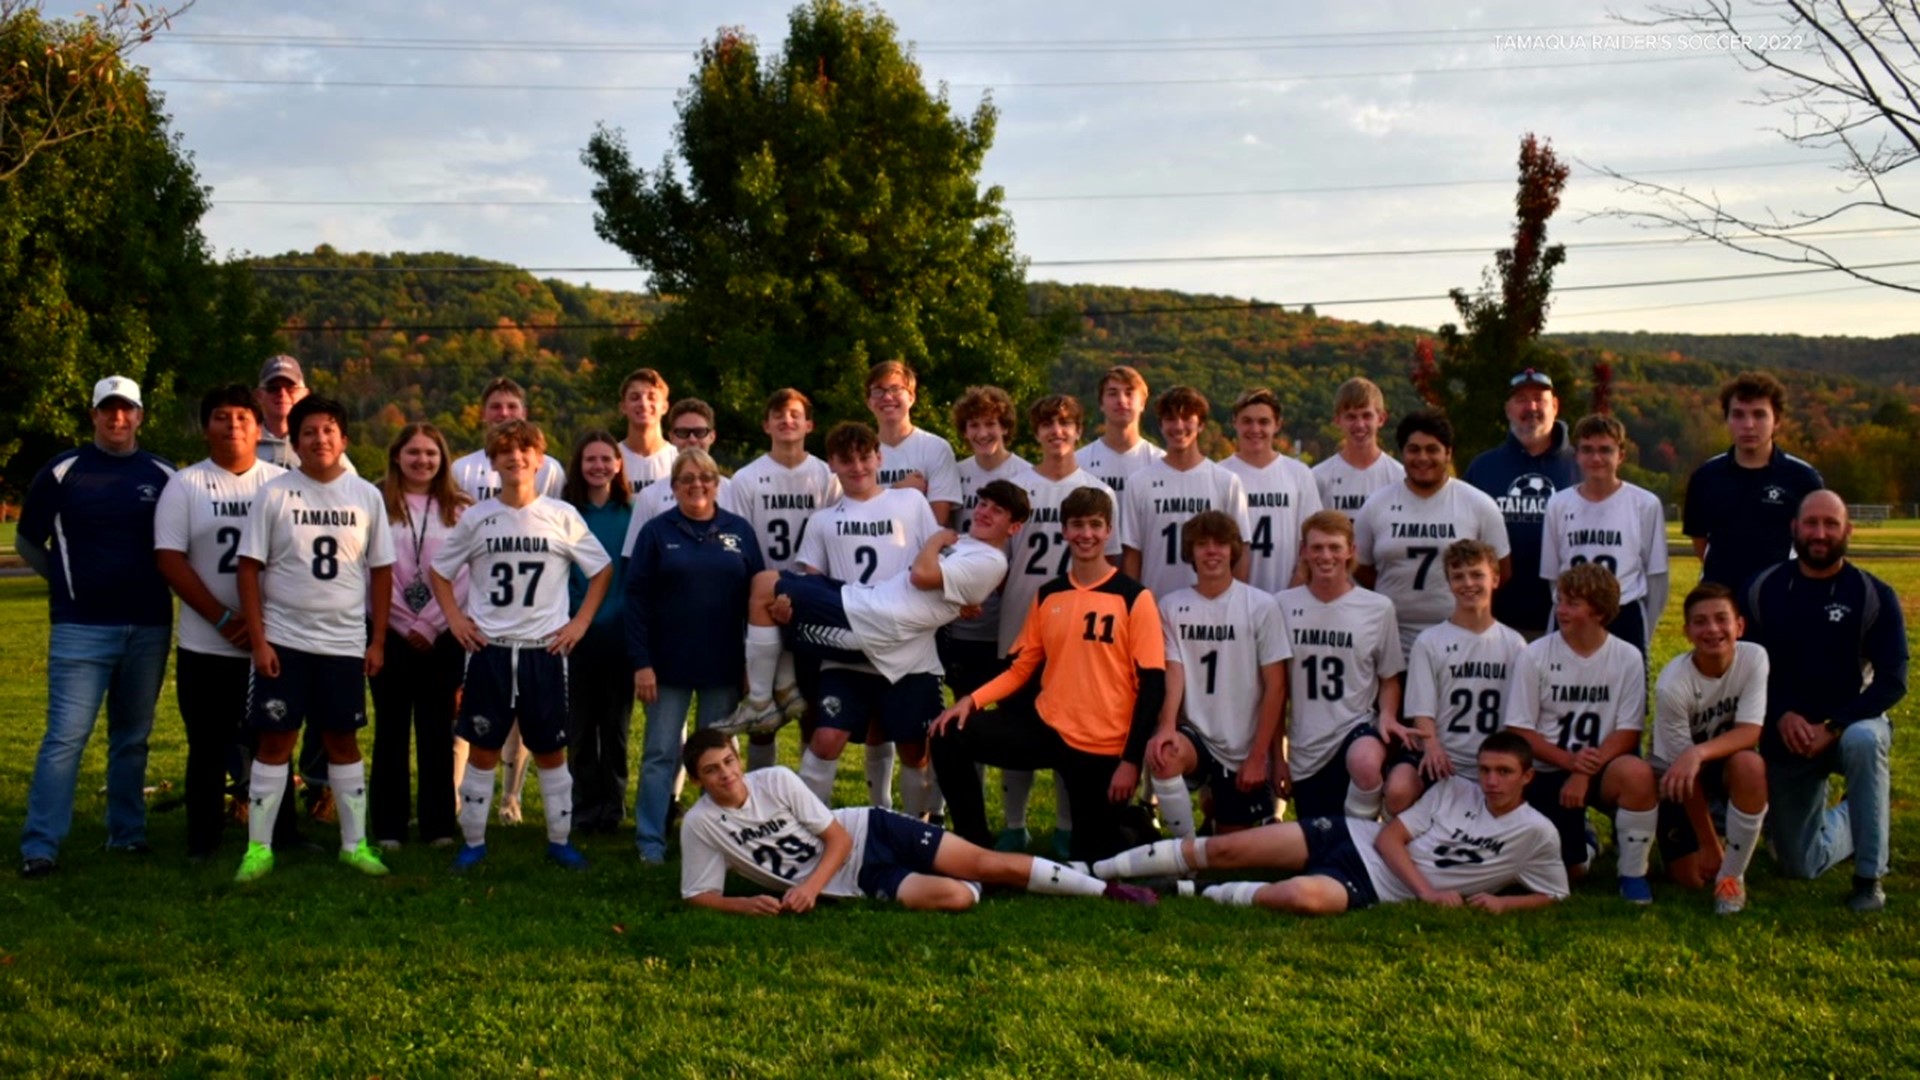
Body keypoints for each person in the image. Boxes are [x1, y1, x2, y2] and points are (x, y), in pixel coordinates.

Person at [734, 480, 1028, 824]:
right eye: (983, 503)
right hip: (865, 603)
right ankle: (810, 824)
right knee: (769, 593)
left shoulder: (989, 559)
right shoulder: (965, 545)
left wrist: (937, 539)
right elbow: (941, 587)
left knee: (764, 587)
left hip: (874, 623)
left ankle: (761, 700)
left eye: (997, 510)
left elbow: (922, 575)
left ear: (1014, 526)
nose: (983, 512)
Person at [929, 486, 1167, 862]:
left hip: (1102, 746)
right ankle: (976, 849)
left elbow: (1152, 685)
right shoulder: (1048, 595)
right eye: (1076, 525)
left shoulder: (1134, 598)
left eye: (1094, 525)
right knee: (948, 734)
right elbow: (1021, 668)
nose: (1085, 534)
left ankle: (1136, 829)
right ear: (1064, 531)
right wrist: (970, 702)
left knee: (1094, 858)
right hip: (1048, 729)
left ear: (1108, 532)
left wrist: (1130, 761)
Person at [676, 730, 1156, 913]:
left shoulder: (775, 780)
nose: (725, 775)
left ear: (738, 759)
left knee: (989, 863)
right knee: (958, 896)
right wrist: (744, 906)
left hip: (870, 831)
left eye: (727, 762)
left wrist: (807, 889)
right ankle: (1002, 873)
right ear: (698, 782)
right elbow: (698, 894)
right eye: (711, 771)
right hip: (862, 878)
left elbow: (838, 839)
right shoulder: (700, 824)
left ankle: (1106, 887)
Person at [1093, 732, 1567, 916]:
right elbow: (1390, 835)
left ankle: (1185, 891)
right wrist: (1426, 891)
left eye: (1504, 773)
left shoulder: (1536, 832)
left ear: (1527, 776)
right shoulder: (1455, 789)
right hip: (1351, 835)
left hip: (1374, 887)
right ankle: (1097, 871)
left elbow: (1556, 892)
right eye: (1485, 770)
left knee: (1296, 897)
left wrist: (1507, 905)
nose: (1491, 781)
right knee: (1223, 851)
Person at [428, 419, 613, 872]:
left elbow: (601, 570)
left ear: (538, 458)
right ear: (493, 462)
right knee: (483, 748)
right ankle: (473, 842)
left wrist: (580, 622)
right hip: (491, 649)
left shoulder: (561, 514)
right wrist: (454, 619)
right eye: (505, 452)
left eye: (524, 450)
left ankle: (559, 840)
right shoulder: (477, 516)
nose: (516, 459)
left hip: (543, 651)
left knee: (551, 749)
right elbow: (440, 571)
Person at [733, 421, 940, 811]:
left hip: (908, 650)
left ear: (879, 457)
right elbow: (813, 584)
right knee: (826, 739)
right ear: (832, 464)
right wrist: (787, 608)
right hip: (847, 650)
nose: (857, 467)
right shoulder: (823, 520)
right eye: (847, 460)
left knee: (916, 749)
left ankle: (914, 833)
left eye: (865, 457)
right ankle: (815, 832)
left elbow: (934, 560)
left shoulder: (911, 503)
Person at [232, 395, 396, 882]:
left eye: (329, 430)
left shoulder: (365, 494)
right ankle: (258, 849)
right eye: (309, 432)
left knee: (342, 741)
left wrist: (378, 640)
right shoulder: (275, 493)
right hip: (285, 640)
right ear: (294, 441)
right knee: (275, 738)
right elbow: (249, 568)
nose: (319, 439)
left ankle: (354, 844)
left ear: (343, 439)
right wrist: (260, 641)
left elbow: (382, 571)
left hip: (344, 642)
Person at [18, 376, 175, 878]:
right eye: (107, 410)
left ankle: (126, 833)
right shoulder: (63, 471)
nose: (117, 419)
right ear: (93, 416)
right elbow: (27, 542)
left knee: (132, 738)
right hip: (81, 628)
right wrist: (66, 585)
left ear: (140, 416)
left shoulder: (164, 475)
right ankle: (41, 844)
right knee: (65, 738)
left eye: (126, 410)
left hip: (147, 626)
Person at [1744, 491, 1905, 912]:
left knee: (1865, 743)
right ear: (1794, 528)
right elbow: (1749, 670)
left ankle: (1870, 878)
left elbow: (1893, 683)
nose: (1820, 533)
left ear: (1847, 530)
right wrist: (1779, 715)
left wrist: (1832, 725)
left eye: (1830, 524)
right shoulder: (1765, 588)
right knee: (1799, 864)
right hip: (1788, 731)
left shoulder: (1873, 594)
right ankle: (1860, 814)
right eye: (1811, 523)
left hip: (1851, 723)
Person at [155, 386, 295, 862]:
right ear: (205, 427)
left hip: (271, 640)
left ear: (259, 428)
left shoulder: (281, 483)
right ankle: (204, 838)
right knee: (208, 744)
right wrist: (220, 617)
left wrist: (262, 625)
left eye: (241, 417)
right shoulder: (186, 484)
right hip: (207, 642)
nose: (232, 425)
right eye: (220, 417)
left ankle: (280, 833)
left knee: (274, 740)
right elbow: (170, 559)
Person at [627, 449, 765, 864]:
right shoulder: (655, 532)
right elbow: (635, 600)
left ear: (716, 482)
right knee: (660, 754)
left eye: (704, 477)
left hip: (722, 664)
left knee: (719, 758)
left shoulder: (738, 530)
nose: (696, 485)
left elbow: (755, 598)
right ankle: (651, 841)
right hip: (666, 666)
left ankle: (717, 836)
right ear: (673, 487)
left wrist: (751, 663)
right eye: (686, 479)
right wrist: (641, 663)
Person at [998, 394, 1122, 854]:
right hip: (1020, 620)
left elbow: (1112, 562)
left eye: (1066, 424)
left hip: (1079, 631)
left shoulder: (1099, 490)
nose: (1057, 432)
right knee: (1016, 732)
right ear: (1036, 432)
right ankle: (1015, 825)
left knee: (1072, 734)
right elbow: (997, 559)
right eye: (1048, 425)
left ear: (1078, 430)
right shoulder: (1015, 486)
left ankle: (1068, 829)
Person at [1504, 563, 1660, 903]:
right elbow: (1519, 729)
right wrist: (1569, 763)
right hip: (1548, 765)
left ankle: (1633, 873)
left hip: (1602, 764)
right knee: (1567, 872)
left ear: (1600, 611)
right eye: (1560, 600)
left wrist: (1583, 770)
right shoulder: (1535, 655)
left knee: (1637, 774)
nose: (1561, 610)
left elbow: (1629, 732)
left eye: (1573, 603)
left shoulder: (1627, 657)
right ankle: (1585, 844)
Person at [719, 388, 843, 771]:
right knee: (762, 715)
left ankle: (808, 799)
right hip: (759, 602)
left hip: (812, 596)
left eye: (794, 414)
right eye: (778, 414)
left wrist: (805, 590)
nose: (786, 420)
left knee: (809, 705)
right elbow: (737, 543)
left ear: (809, 424)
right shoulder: (746, 478)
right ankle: (759, 792)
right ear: (765, 424)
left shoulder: (827, 474)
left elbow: (835, 538)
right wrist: (763, 594)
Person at [1149, 511, 1289, 838]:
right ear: (1190, 552)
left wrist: (1260, 757)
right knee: (1165, 755)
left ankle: (1216, 816)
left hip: (1242, 743)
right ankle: (1185, 854)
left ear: (1233, 550)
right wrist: (1167, 726)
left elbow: (1276, 687)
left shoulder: (1261, 606)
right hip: (1196, 735)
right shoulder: (1171, 606)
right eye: (1202, 544)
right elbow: (1174, 671)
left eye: (1220, 544)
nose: (1212, 551)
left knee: (1232, 841)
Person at [367, 423, 471, 850]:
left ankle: (438, 826)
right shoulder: (375, 502)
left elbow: (466, 572)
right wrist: (398, 621)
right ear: (396, 456)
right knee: (390, 731)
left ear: (442, 459)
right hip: (388, 632)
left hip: (442, 634)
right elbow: (369, 568)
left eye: (431, 453)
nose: (422, 460)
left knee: (435, 732)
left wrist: (430, 622)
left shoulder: (461, 509)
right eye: (413, 453)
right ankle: (389, 826)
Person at [1276, 511, 1405, 823]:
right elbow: (1275, 688)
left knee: (1365, 762)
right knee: (1318, 838)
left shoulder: (1377, 607)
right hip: (1307, 741)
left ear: (1351, 551)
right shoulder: (1282, 605)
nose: (1326, 556)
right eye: (1317, 547)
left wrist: (1387, 715)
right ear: (1303, 551)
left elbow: (1389, 677)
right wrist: (1276, 756)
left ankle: (1365, 839)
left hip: (1355, 729)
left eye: (1335, 547)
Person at [1650, 582, 1770, 914]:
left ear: (1739, 626)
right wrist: (1707, 843)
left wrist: (1698, 752)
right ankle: (1713, 835)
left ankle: (1732, 880)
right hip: (1675, 777)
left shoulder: (1755, 657)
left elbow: (1749, 731)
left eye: (1722, 619)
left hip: (1716, 760)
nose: (1713, 629)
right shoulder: (1673, 685)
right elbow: (1684, 775)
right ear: (1687, 631)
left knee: (1751, 766)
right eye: (1700, 622)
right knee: (1690, 878)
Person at [1355, 409, 1510, 658]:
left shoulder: (1479, 504)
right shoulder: (1376, 505)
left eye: (1432, 449)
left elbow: (1501, 571)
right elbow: (1360, 567)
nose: (1422, 457)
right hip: (1393, 641)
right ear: (1402, 453)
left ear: (1448, 453)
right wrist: (1395, 592)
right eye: (1414, 449)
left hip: (1461, 643)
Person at [1400, 540, 1526, 814]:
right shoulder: (1430, 641)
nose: (1468, 583)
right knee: (1400, 788)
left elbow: (1520, 716)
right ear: (1448, 583)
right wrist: (1432, 747)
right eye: (1458, 577)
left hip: (1493, 764)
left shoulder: (1515, 644)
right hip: (1445, 760)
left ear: (1495, 578)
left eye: (1476, 574)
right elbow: (1421, 710)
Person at [1539, 414, 1668, 657]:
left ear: (1621, 455)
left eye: (1605, 450)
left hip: (1623, 613)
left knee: (1626, 693)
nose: (1596, 458)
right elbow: (1553, 576)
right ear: (1576, 455)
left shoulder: (1645, 504)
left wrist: (1645, 630)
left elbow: (1657, 576)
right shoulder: (1558, 504)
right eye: (1587, 450)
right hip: (1572, 615)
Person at [1463, 367, 1578, 639]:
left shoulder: (1581, 465)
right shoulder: (1484, 467)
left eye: (1539, 399)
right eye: (1521, 400)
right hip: (1497, 622)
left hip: (1567, 621)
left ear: (1555, 406)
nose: (1532, 407)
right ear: (1508, 409)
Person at [1684, 371, 1825, 591]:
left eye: (1759, 415)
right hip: (1722, 602)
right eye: (1738, 415)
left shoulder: (1803, 479)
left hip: (1780, 599)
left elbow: (1816, 541)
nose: (1748, 425)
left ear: (1776, 421)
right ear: (1727, 419)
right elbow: (1701, 541)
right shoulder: (1705, 477)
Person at [562, 430, 634, 835]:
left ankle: (613, 806)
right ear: (579, 465)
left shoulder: (632, 512)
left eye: (606, 459)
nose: (599, 466)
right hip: (575, 636)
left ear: (619, 464)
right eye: (591, 459)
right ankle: (584, 808)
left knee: (617, 730)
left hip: (620, 636)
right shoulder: (567, 512)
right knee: (581, 729)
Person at [1120, 384, 1251, 600]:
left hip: (1213, 608)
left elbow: (1241, 551)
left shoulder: (1226, 481)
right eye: (1170, 418)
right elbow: (1133, 554)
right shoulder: (1139, 482)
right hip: (1155, 604)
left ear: (1201, 424)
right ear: (1161, 425)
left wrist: (1235, 604)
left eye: (1187, 417)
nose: (1178, 426)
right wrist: (1134, 608)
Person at [944, 385, 1031, 707]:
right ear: (964, 431)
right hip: (965, 614)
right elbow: (948, 537)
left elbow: (1022, 549)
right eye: (974, 425)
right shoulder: (956, 473)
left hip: (1010, 614)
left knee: (1012, 707)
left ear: (1005, 426)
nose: (982, 433)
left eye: (990, 424)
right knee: (964, 705)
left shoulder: (1026, 475)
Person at [1220, 387, 1322, 593]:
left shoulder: (1299, 473)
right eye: (1247, 421)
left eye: (1264, 422)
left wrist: (1291, 594)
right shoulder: (1219, 474)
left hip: (1288, 594)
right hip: (1235, 597)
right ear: (1235, 423)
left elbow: (1312, 541)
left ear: (1278, 425)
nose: (1255, 429)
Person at [619, 397, 737, 558]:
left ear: (712, 436)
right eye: (683, 433)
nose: (692, 439)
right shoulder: (649, 496)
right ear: (672, 437)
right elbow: (634, 559)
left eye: (700, 432)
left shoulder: (734, 490)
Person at [866, 360, 961, 527]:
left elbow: (937, 521)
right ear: (869, 402)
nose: (887, 397)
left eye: (896, 389)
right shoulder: (859, 454)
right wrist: (898, 492)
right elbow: (854, 517)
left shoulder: (936, 448)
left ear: (911, 397)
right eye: (878, 391)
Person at [1076, 364, 1164, 535]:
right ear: (1101, 403)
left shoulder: (1160, 462)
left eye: (1129, 393)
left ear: (1143, 403)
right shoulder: (1079, 462)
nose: (1121, 400)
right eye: (1112, 393)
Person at [448, 376, 567, 501]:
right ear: (483, 414)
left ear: (524, 414)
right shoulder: (462, 469)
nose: (504, 413)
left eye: (512, 406)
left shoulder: (550, 469)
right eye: (495, 407)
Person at [1311, 377, 1403, 516]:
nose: (1360, 425)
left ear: (1381, 419)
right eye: (1351, 417)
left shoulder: (1399, 477)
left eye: (1367, 416)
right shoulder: (1318, 478)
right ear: (1337, 420)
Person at [616, 367, 677, 497]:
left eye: (652, 397)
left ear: (665, 407)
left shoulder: (679, 460)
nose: (643, 403)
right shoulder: (610, 460)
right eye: (634, 397)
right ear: (623, 407)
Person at [254, 354, 308, 471]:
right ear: (259, 395)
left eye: (291, 388)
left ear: (305, 394)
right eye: (273, 388)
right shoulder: (245, 443)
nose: (282, 394)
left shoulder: (319, 443)